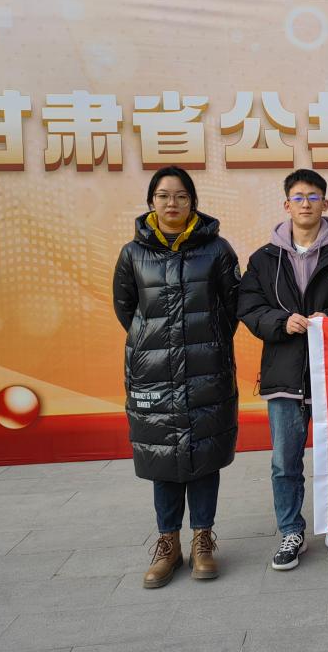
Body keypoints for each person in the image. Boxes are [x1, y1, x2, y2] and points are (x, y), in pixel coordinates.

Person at [238, 169, 328, 569]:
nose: (305, 204)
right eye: (298, 197)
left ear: (325, 204)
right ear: (286, 205)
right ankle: (291, 531)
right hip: (284, 375)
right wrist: (281, 322)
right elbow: (249, 307)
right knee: (285, 462)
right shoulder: (264, 259)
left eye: (313, 197)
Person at [112, 166, 240, 588]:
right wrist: (153, 342)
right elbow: (126, 309)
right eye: (164, 195)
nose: (172, 203)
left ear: (192, 202)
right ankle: (168, 543)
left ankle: (202, 539)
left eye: (181, 196)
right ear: (152, 202)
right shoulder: (133, 253)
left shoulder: (217, 250)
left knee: (204, 452)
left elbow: (232, 308)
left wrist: (208, 341)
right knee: (162, 456)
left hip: (206, 367)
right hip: (153, 372)